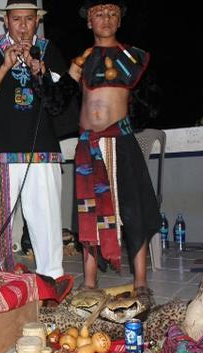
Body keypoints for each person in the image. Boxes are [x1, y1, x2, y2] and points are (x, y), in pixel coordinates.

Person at [50, 0, 161, 295]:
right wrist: (67, 73)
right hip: (88, 145)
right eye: (99, 13)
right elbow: (58, 102)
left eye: (112, 13)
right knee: (88, 212)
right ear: (89, 22)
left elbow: (151, 103)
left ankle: (140, 282)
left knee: (135, 210)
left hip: (122, 142)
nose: (106, 18)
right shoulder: (82, 61)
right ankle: (89, 283)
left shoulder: (133, 58)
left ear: (120, 21)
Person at [0, 0, 76, 282]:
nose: (23, 26)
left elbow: (62, 99)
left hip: (41, 150)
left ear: (36, 21)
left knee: (47, 220)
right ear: (6, 21)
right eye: (17, 19)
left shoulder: (48, 50)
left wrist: (38, 68)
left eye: (29, 19)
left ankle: (50, 280)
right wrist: (6, 66)